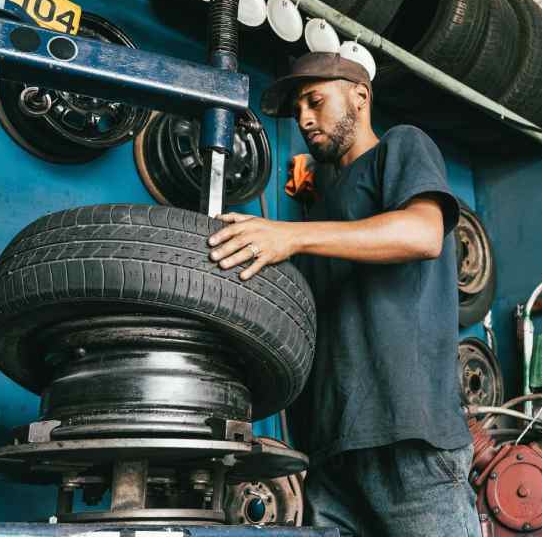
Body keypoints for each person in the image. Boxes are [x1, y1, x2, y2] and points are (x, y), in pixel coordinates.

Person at [206, 51, 481, 536]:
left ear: (360, 96)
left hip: (407, 440)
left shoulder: (401, 147)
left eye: (315, 100)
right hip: (331, 455)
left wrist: (291, 236)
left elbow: (421, 234)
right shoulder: (323, 212)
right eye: (297, 113)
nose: (305, 119)